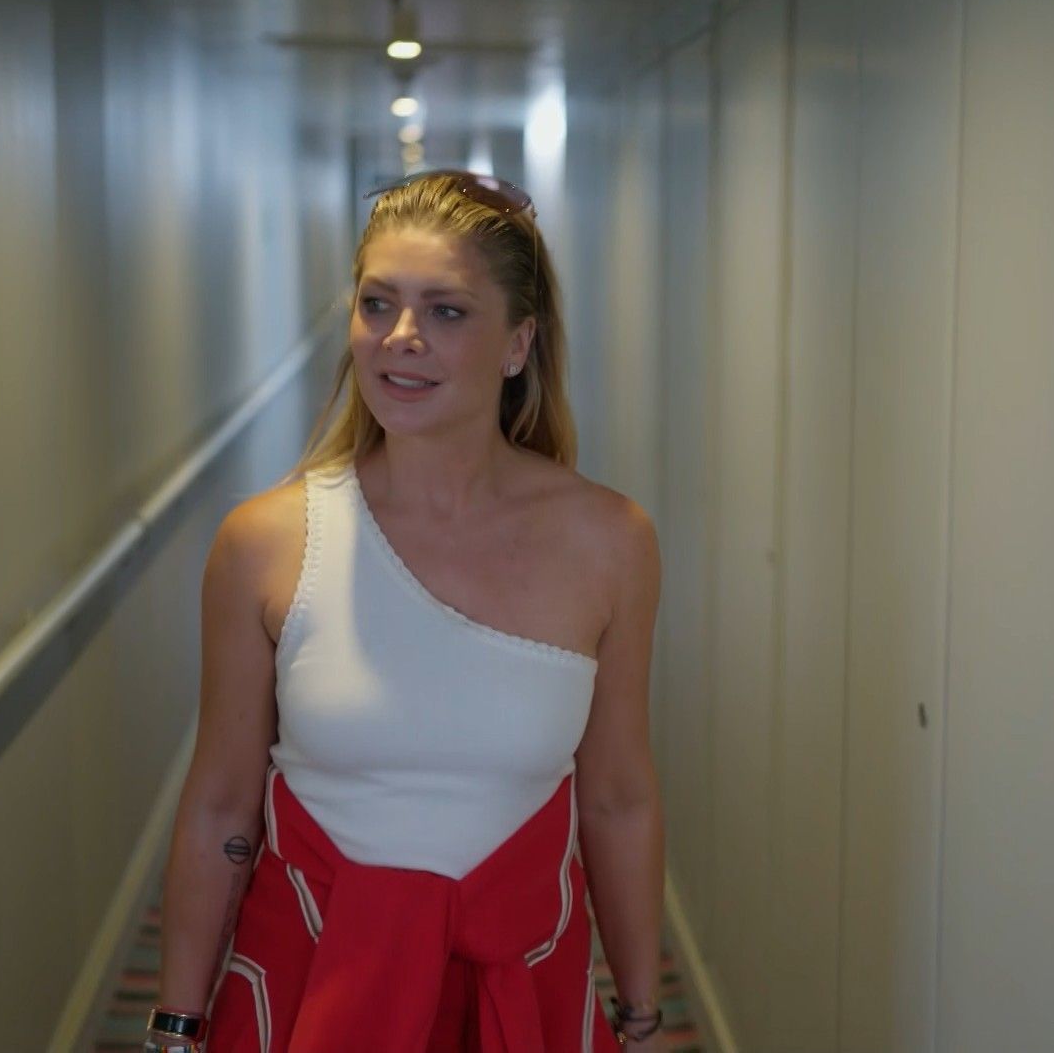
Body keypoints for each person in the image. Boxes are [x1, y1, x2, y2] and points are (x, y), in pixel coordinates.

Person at [146, 170, 669, 1052]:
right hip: (309, 992)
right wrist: (173, 1030)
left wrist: (642, 1018)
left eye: (447, 311)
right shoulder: (267, 543)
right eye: (377, 304)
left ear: (518, 344)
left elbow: (617, 798)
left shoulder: (610, 542)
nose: (401, 338)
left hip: (518, 994)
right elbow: (220, 808)